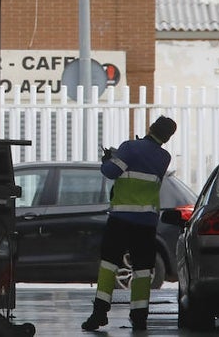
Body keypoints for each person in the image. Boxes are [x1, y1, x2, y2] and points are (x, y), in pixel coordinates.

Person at [82, 115, 177, 332]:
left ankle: (99, 314)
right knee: (143, 270)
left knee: (109, 265)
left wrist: (109, 158)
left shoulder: (129, 147)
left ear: (151, 127)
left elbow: (110, 172)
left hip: (121, 219)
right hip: (146, 223)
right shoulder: (164, 157)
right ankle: (140, 317)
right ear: (168, 137)